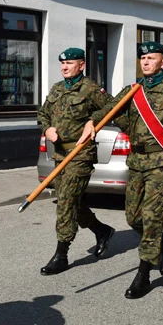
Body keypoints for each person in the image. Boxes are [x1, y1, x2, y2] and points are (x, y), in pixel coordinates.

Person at [80, 42, 163, 300]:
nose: (146, 62)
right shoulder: (132, 90)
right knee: (133, 218)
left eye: (151, 58)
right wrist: (91, 122)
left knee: (151, 219)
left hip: (160, 163)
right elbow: (109, 109)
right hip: (137, 162)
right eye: (143, 58)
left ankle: (144, 272)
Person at [37, 48, 115, 275]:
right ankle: (101, 230)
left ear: (81, 65)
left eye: (69, 63)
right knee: (69, 200)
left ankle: (61, 254)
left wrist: (93, 120)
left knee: (66, 203)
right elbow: (43, 114)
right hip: (60, 154)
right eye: (62, 63)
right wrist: (48, 127)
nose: (64, 67)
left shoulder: (90, 89)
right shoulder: (57, 89)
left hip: (80, 154)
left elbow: (113, 107)